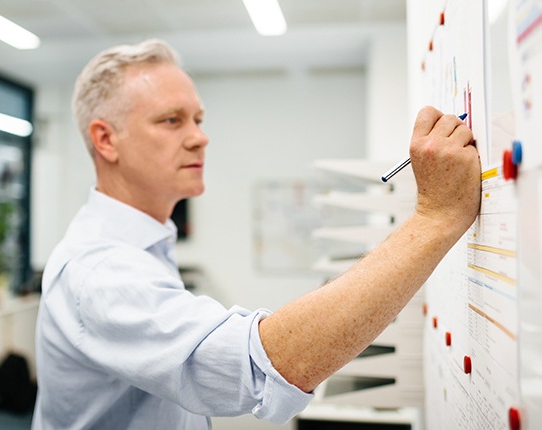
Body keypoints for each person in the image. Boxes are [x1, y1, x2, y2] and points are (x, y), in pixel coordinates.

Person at [32, 39, 480, 429]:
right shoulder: (101, 271)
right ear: (106, 140)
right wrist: (436, 217)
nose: (199, 138)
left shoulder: (143, 245)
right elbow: (257, 367)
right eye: (172, 121)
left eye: (199, 119)